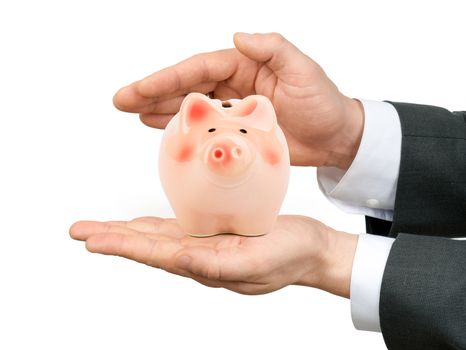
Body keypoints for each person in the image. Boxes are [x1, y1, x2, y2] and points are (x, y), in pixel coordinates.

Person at [69, 33, 466, 349]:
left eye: (243, 131)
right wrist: (348, 135)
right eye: (210, 131)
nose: (227, 145)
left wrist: (330, 255)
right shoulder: (185, 136)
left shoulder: (266, 136)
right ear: (194, 122)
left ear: (256, 123)